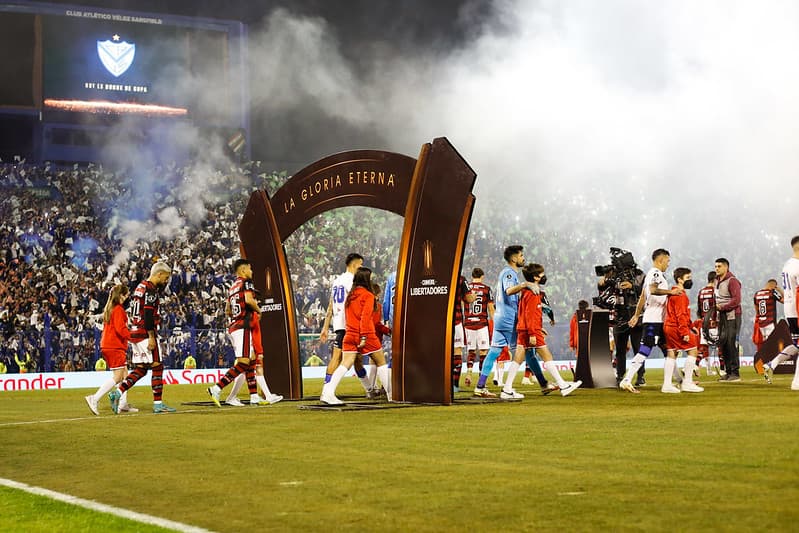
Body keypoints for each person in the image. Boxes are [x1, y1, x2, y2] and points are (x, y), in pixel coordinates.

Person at [207, 259, 282, 407]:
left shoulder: (232, 287)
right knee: (243, 362)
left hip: (235, 326)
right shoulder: (246, 283)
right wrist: (258, 310)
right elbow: (248, 300)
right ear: (243, 271)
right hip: (244, 326)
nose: (252, 272)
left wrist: (236, 316)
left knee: (251, 361)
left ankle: (254, 396)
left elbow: (228, 310)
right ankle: (216, 388)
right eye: (250, 269)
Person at [500, 263, 582, 399]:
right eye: (542, 274)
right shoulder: (533, 293)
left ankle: (507, 389)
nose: (544, 276)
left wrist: (537, 327)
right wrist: (533, 332)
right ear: (536, 277)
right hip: (530, 331)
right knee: (547, 356)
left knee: (517, 360)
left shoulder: (526, 291)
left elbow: (525, 313)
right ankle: (563, 385)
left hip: (523, 329)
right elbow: (530, 314)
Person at [109, 262, 177, 414]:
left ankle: (117, 392)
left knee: (141, 369)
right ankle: (158, 404)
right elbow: (147, 314)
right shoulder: (151, 289)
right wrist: (152, 336)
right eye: (166, 278)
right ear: (159, 274)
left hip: (134, 332)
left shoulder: (140, 287)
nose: (166, 281)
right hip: (145, 333)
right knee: (157, 366)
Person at [473, 245, 538, 398]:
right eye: (521, 255)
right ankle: (511, 388)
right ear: (514, 258)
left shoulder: (507, 273)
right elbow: (509, 291)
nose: (523, 258)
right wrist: (525, 284)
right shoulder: (509, 273)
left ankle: (480, 386)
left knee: (495, 351)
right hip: (508, 318)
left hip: (500, 318)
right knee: (524, 348)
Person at [320, 267, 392, 405]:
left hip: (350, 334)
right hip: (366, 334)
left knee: (344, 364)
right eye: (370, 278)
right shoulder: (368, 296)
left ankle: (327, 393)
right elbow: (365, 319)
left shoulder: (350, 295)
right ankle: (391, 395)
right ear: (366, 279)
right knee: (381, 362)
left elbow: (347, 316)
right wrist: (364, 337)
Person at [620, 249, 683, 393]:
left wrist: (636, 315)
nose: (668, 264)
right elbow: (653, 290)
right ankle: (627, 379)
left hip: (657, 319)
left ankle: (680, 380)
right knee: (645, 349)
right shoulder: (655, 274)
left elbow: (643, 296)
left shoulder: (650, 275)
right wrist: (670, 292)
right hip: (654, 320)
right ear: (660, 260)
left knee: (669, 350)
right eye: (667, 261)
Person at [318, 253, 374, 396]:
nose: (361, 267)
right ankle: (326, 391)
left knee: (357, 359)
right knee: (339, 359)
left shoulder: (337, 281)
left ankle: (369, 389)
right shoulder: (352, 281)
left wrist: (325, 327)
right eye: (360, 264)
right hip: (349, 324)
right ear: (355, 264)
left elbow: (331, 305)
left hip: (339, 324)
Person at [85, 284, 138, 415]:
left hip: (108, 344)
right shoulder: (119, 309)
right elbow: (121, 329)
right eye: (126, 295)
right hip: (115, 346)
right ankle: (94, 398)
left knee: (125, 374)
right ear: (121, 296)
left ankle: (123, 403)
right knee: (118, 377)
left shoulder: (110, 308)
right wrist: (134, 337)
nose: (127, 298)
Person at [598, 267, 646, 386]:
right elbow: (604, 294)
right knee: (620, 350)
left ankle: (640, 376)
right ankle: (620, 375)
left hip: (635, 317)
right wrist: (602, 284)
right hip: (618, 318)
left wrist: (632, 286)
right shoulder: (613, 279)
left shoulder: (639, 276)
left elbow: (646, 292)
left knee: (638, 349)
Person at [762, 236, 799, 390]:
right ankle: (797, 382)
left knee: (797, 345)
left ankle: (772, 363)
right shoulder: (797, 266)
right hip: (797, 309)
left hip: (790, 310)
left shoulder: (787, 264)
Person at [663, 268, 704, 393]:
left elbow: (682, 314)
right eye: (688, 278)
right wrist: (685, 332)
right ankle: (687, 382)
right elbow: (680, 315)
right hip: (676, 327)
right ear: (680, 279)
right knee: (693, 351)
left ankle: (667, 384)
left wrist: (691, 326)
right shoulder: (680, 294)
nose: (690, 280)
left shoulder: (674, 292)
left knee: (672, 354)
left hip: (669, 327)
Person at [464, 268, 494, 387]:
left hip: (468, 323)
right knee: (483, 351)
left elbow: (462, 303)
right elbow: (491, 308)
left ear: (472, 276)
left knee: (471, 350)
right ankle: (482, 380)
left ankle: (469, 373)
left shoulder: (466, 288)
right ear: (482, 276)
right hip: (481, 323)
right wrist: (495, 323)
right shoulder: (486, 289)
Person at [714, 258, 742, 382]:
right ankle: (728, 372)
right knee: (723, 344)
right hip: (722, 316)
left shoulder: (732, 281)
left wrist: (723, 307)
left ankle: (735, 373)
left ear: (726, 267)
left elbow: (737, 300)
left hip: (732, 316)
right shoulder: (717, 281)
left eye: (719, 266)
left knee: (731, 344)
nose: (717, 269)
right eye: (716, 266)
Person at [452, 274, 475, 392]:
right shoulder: (460, 278)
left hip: (438, 322)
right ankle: (454, 384)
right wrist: (473, 295)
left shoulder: (438, 276)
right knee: (457, 351)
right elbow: (469, 298)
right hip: (455, 320)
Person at [696, 271, 719, 376]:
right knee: (720, 346)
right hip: (713, 323)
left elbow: (699, 310)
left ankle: (698, 366)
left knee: (703, 347)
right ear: (715, 279)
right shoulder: (715, 291)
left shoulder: (701, 292)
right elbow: (717, 307)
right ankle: (722, 369)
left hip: (704, 322)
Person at [753, 279, 783, 352]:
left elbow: (756, 309)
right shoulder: (772, 292)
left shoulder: (757, 294)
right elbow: (784, 300)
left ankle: (761, 361)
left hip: (760, 323)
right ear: (774, 286)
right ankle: (771, 361)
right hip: (770, 322)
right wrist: (780, 290)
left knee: (762, 344)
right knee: (772, 343)